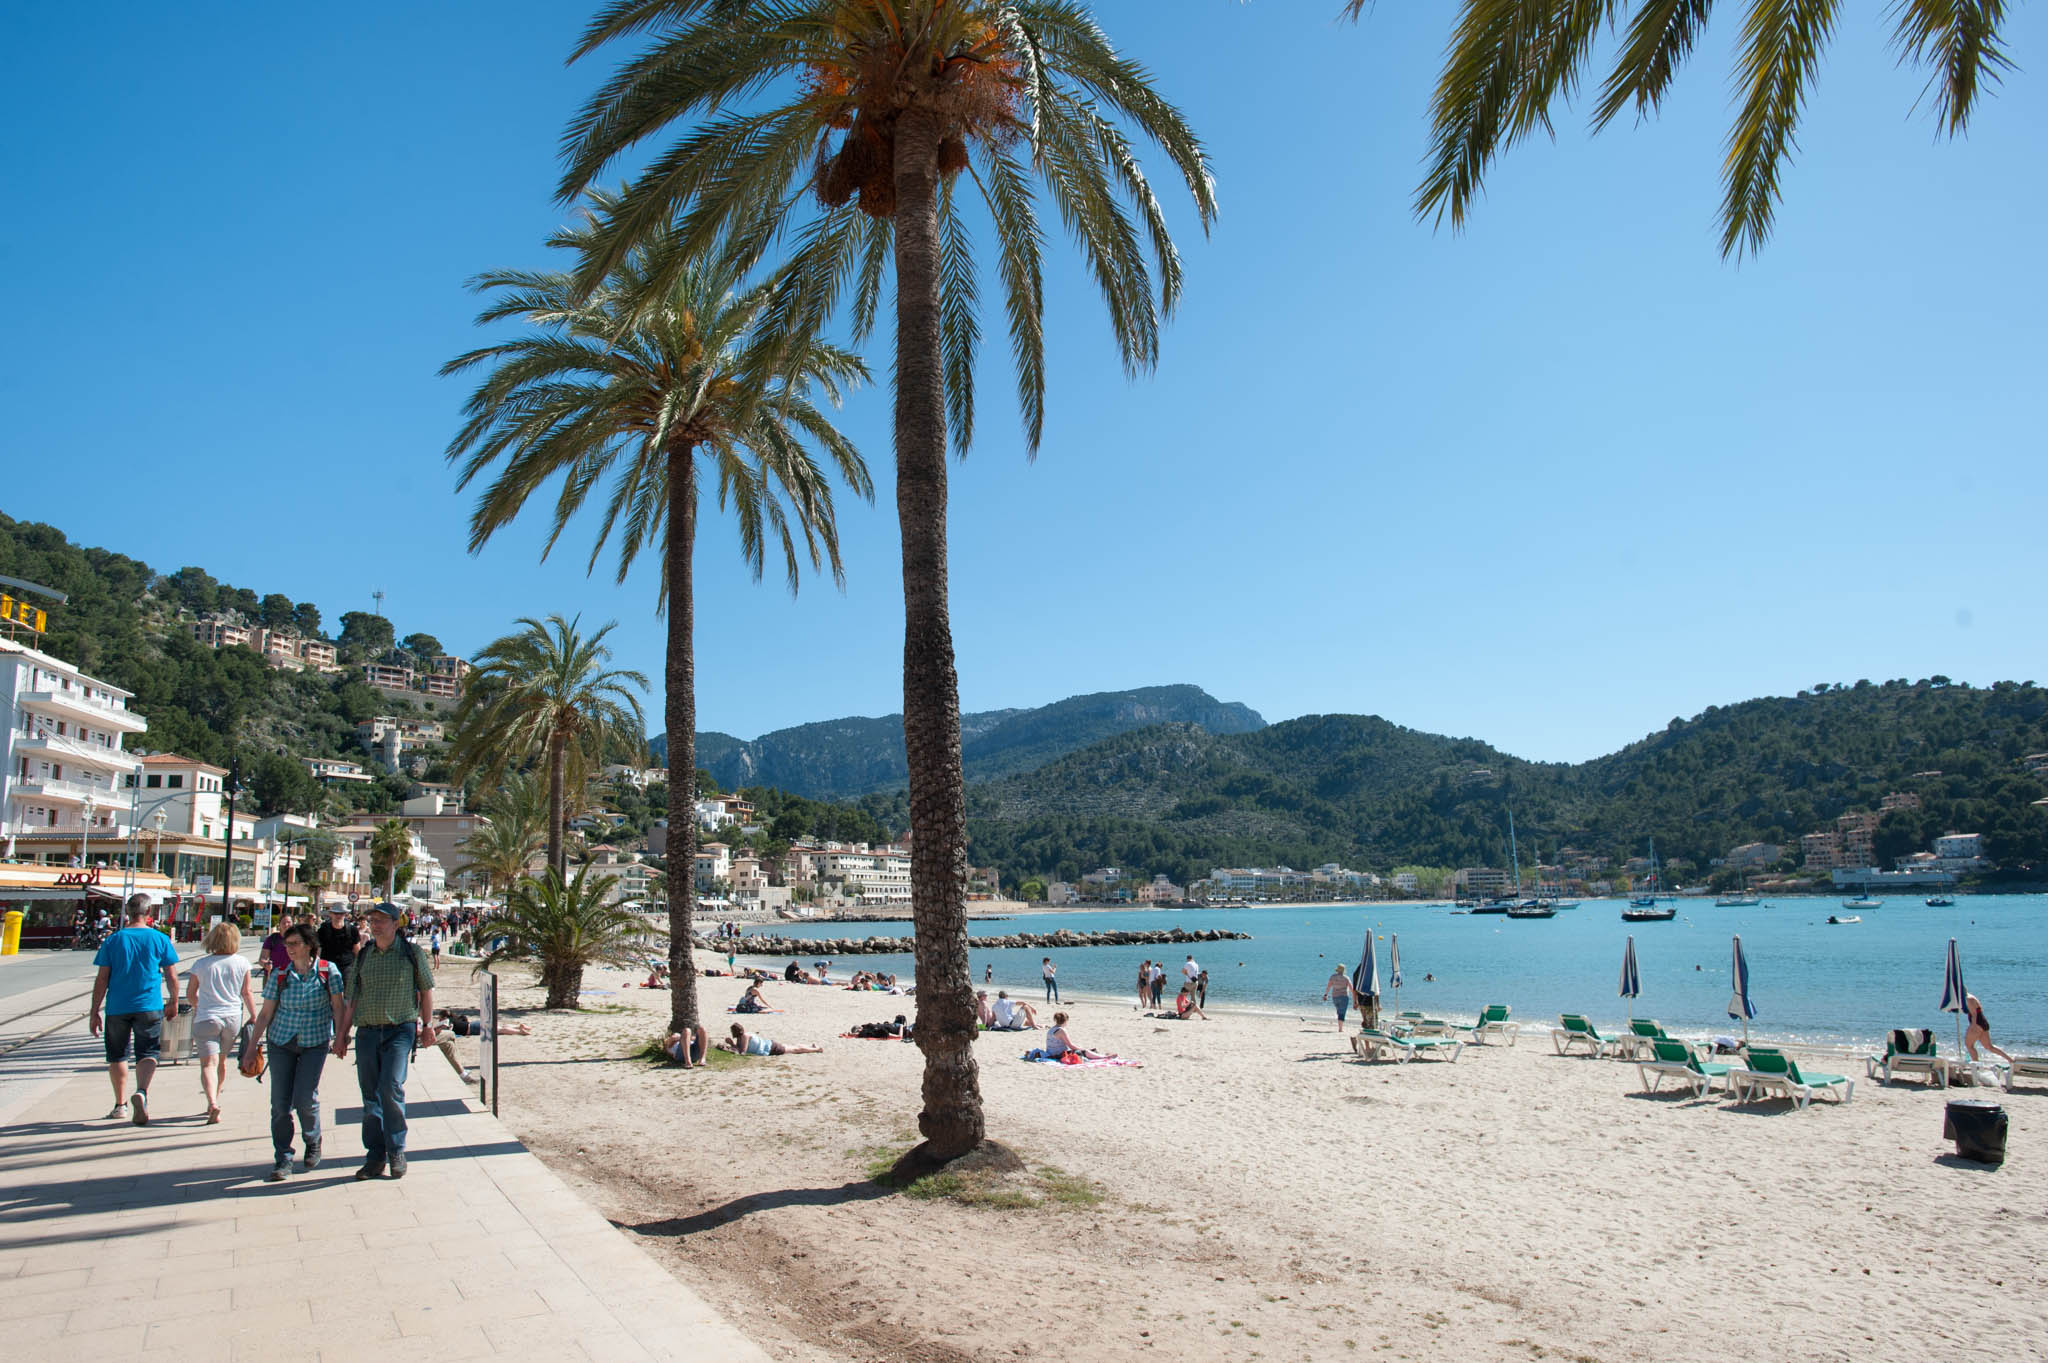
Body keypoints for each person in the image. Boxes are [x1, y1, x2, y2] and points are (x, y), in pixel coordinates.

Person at [333, 902, 434, 1181]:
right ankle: (375, 1156)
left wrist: (428, 1026)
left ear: (395, 924)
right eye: (373, 920)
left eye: (381, 920)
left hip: (400, 1030)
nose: (375, 925)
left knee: (390, 1086)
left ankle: (396, 1150)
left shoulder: (411, 954)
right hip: (367, 1032)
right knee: (370, 1096)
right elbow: (351, 999)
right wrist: (341, 1035)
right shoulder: (365, 956)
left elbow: (426, 991)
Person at [253, 923, 344, 1179]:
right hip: (281, 1042)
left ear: (309, 946)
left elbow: (338, 1007)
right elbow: (265, 1013)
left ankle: (312, 1139)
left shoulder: (328, 971)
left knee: (305, 1097)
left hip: (314, 1043)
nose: (288, 949)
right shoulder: (281, 975)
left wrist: (340, 1037)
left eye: (294, 944)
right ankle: (283, 1157)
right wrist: (252, 1046)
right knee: (280, 1104)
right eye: (287, 944)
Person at [89, 895, 181, 1125]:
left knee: (117, 1055)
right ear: (149, 912)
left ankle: (120, 1105)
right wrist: (174, 1001)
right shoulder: (159, 939)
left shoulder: (113, 940)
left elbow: (102, 979)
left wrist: (94, 1011)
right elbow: (171, 974)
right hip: (149, 1005)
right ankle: (142, 1092)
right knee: (148, 1052)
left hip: (118, 1006)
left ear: (127, 913)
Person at [183, 921, 256, 1124]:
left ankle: (212, 1101)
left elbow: (190, 994)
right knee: (221, 1061)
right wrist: (254, 1015)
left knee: (208, 1064)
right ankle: (215, 1097)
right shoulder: (242, 963)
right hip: (232, 1017)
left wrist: (199, 1006)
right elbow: (246, 992)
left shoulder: (201, 964)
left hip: (206, 1017)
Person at [1964, 994, 2014, 1065]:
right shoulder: (1970, 997)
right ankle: (2010, 1060)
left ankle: (1976, 1066)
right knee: (1989, 1046)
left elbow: (1974, 1014)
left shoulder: (1968, 999)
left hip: (1977, 1024)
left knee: (1969, 1045)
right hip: (1982, 1023)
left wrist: (1972, 1027)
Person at [1043, 1011, 1113, 1060]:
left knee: (1083, 1049)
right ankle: (1104, 1057)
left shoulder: (1052, 1029)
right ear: (1065, 1020)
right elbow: (1071, 1046)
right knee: (1085, 1051)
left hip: (1050, 1052)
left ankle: (1101, 1055)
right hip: (1058, 1054)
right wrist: (1082, 1049)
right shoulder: (1061, 1030)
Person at [720, 1023, 821, 1056]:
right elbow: (739, 1049)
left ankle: (817, 1049)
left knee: (795, 1050)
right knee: (793, 1047)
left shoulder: (745, 1037)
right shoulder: (741, 1038)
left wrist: (731, 1044)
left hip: (770, 1048)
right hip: (769, 1045)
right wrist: (732, 1044)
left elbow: (742, 1052)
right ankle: (811, 1047)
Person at [316, 905, 358, 980]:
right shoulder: (323, 930)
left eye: (341, 913)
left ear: (346, 914)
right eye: (336, 913)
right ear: (331, 914)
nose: (338, 916)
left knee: (346, 987)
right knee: (325, 988)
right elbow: (318, 949)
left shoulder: (352, 930)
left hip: (346, 966)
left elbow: (357, 949)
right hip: (326, 965)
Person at [1323, 966, 1351, 1032]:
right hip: (1344, 996)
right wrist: (1356, 998)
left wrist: (1325, 995)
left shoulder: (1332, 977)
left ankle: (1340, 1026)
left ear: (1337, 970)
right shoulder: (1346, 978)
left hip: (1335, 997)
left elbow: (1328, 986)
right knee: (1342, 1012)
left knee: (1339, 1011)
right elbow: (1351, 988)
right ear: (1344, 970)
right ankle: (1340, 1028)